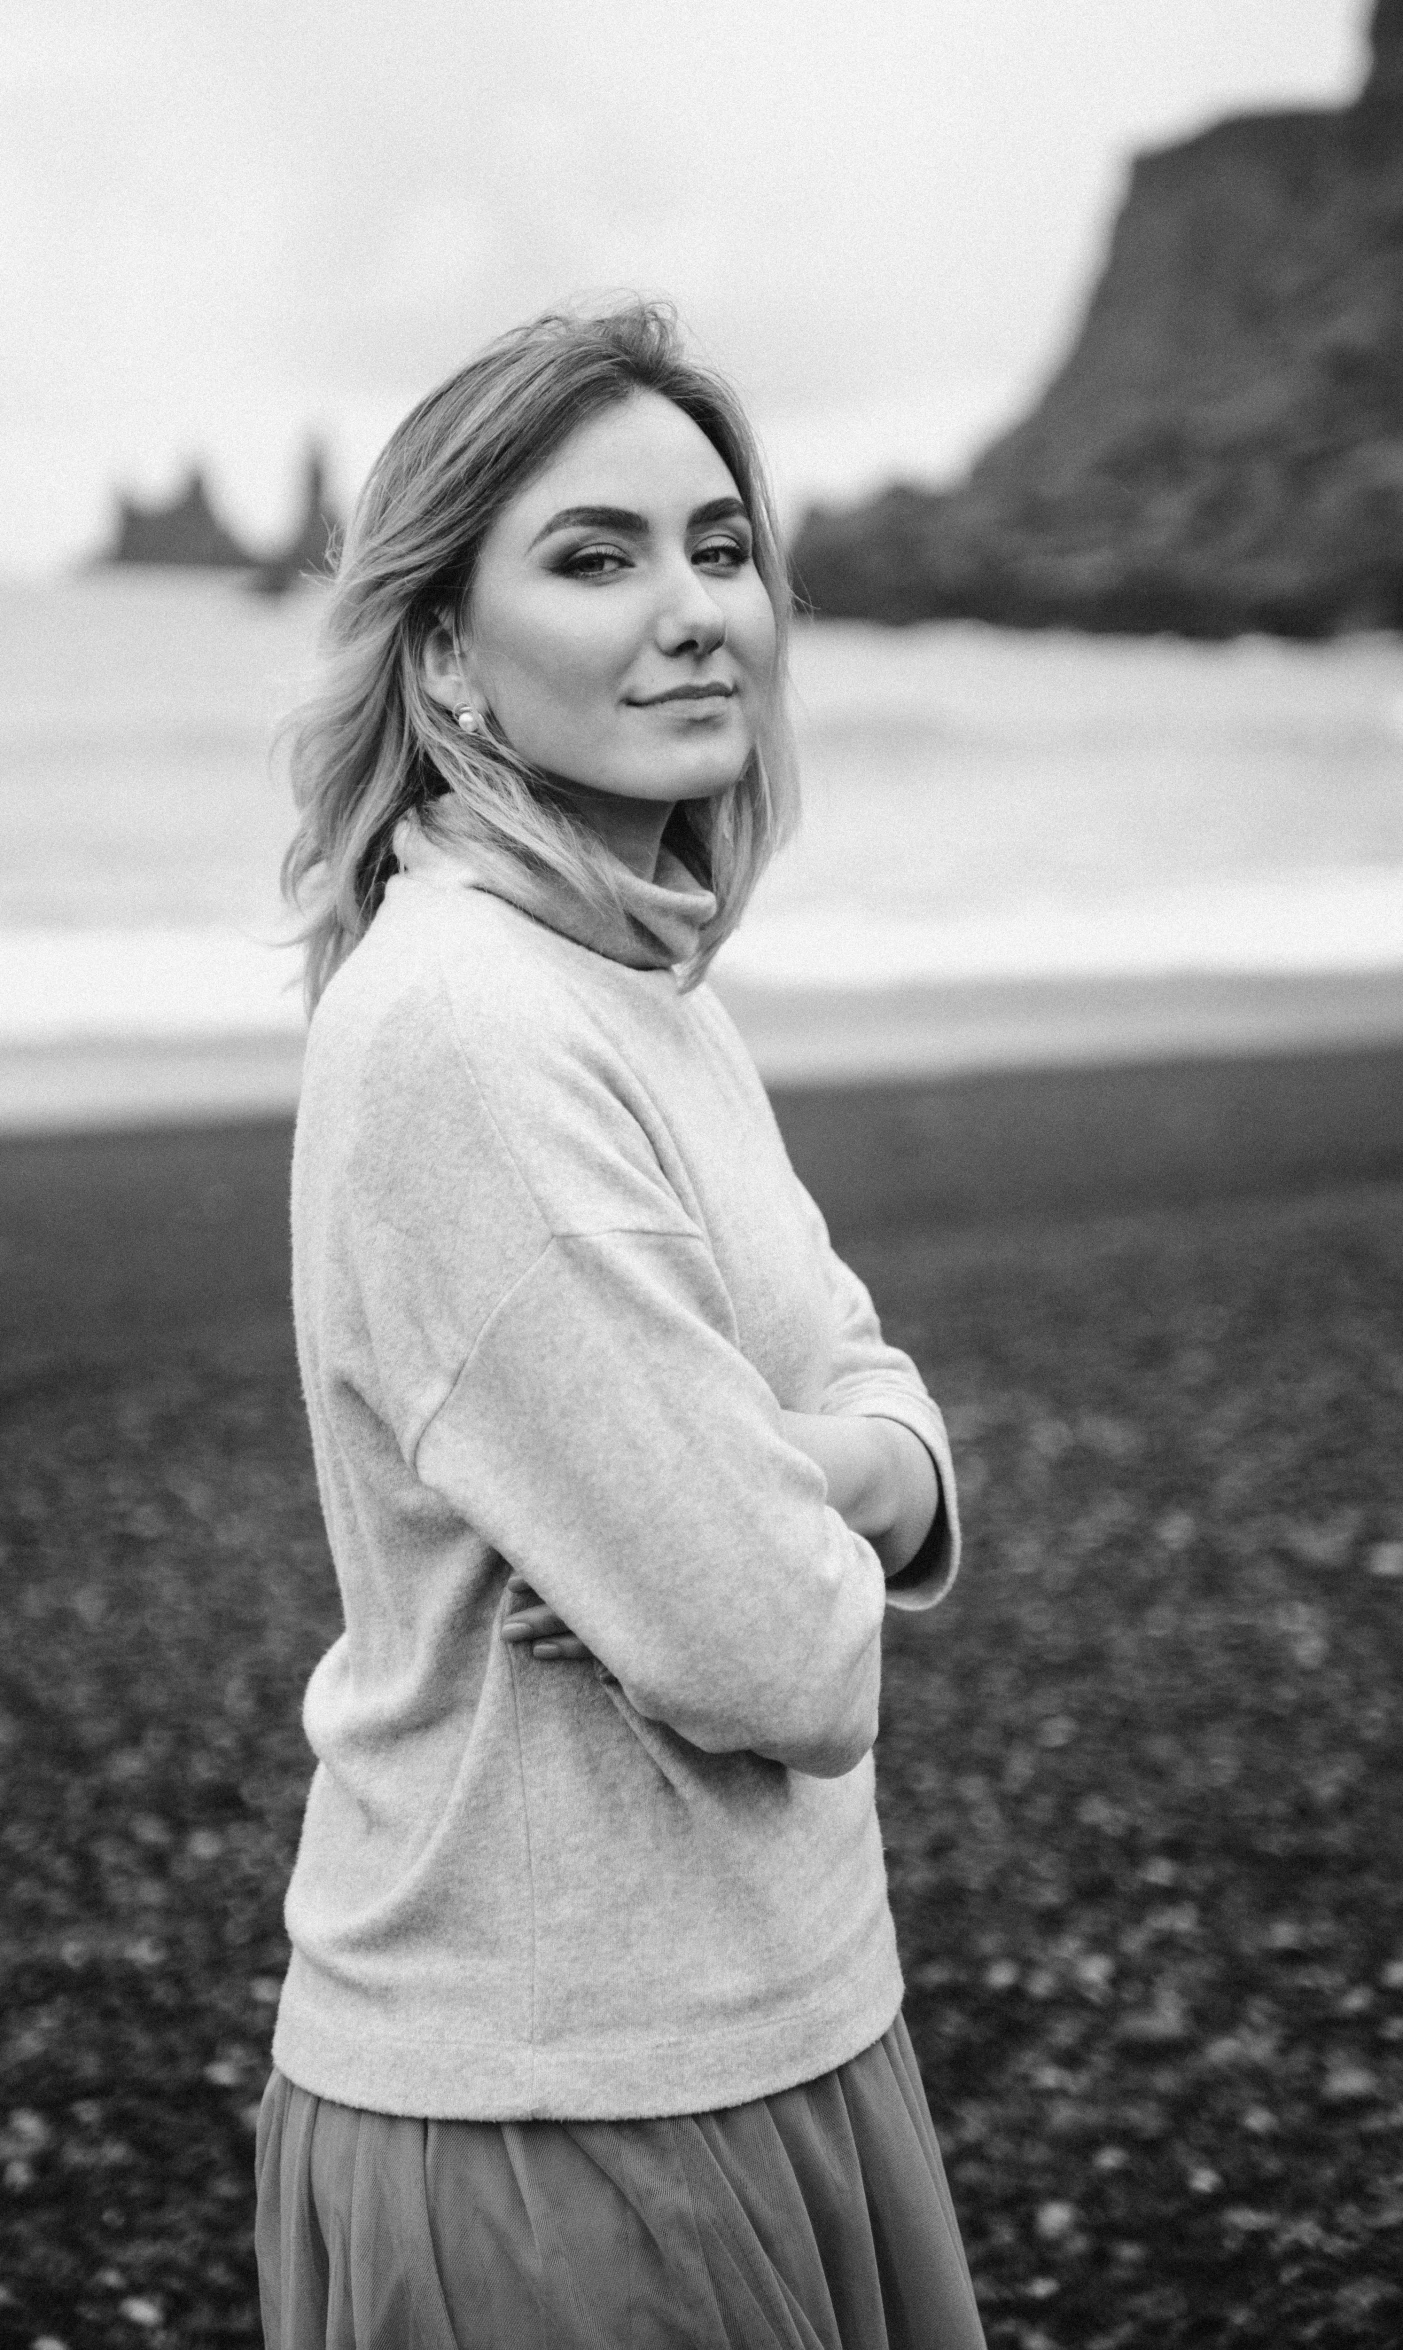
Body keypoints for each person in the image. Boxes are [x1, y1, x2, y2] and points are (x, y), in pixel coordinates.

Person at [257, 299, 985, 2350]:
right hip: (562, 2102)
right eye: (594, 558)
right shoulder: (469, 1031)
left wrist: (821, 1466)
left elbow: (870, 1397)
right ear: (446, 657)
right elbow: (781, 1647)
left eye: (720, 545)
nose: (694, 614)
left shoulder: (638, 973)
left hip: (777, 2010)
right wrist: (797, 1505)